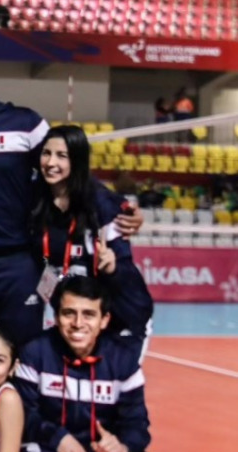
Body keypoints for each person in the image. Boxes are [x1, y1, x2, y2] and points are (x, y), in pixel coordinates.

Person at [0, 46, 142, 370]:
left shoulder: (24, 123)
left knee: (27, 357)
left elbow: (68, 172)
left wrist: (120, 205)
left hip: (19, 264)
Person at [15, 276, 169, 452]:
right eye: (68, 313)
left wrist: (122, 446)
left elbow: (138, 425)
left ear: (104, 320)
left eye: (88, 314)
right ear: (56, 317)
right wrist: (58, 438)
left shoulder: (123, 361)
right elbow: (22, 414)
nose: (78, 323)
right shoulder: (35, 352)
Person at [32, 125, 153, 356]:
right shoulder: (36, 201)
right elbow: (45, 265)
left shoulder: (104, 205)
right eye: (46, 153)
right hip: (77, 320)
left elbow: (125, 272)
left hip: (122, 318)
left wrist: (113, 267)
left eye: (62, 155)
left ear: (77, 160)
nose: (51, 162)